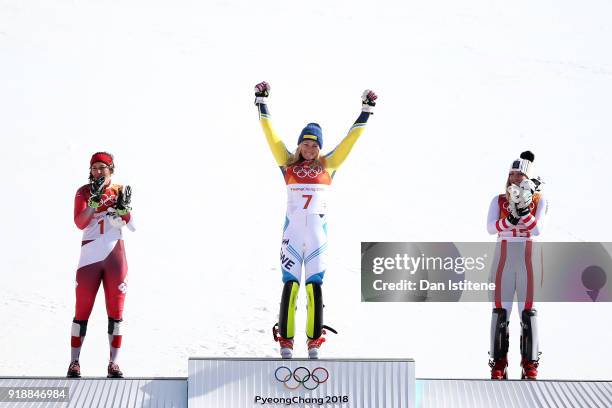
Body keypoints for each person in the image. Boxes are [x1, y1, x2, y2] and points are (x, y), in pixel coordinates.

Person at [254, 81, 377, 359]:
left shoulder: (329, 166)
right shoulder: (288, 165)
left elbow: (349, 141)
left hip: (318, 239)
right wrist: (262, 103)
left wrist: (366, 111)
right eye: (305, 143)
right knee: (290, 286)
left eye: (314, 145)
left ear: (320, 148)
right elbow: (271, 136)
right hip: (293, 237)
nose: (309, 148)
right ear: (299, 145)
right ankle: (285, 342)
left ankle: (314, 342)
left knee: (314, 288)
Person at [67, 152, 134, 378]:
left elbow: (132, 224)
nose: (97, 171)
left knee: (116, 312)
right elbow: (79, 222)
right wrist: (93, 204)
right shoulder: (83, 192)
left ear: (111, 169)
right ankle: (74, 362)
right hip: (89, 258)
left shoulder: (119, 190)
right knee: (81, 310)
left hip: (115, 256)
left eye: (102, 167)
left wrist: (124, 211)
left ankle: (113, 363)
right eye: (94, 167)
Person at [486, 151, 548, 380]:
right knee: (501, 311)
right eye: (511, 174)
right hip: (504, 254)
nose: (514, 178)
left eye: (519, 174)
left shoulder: (540, 200)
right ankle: (498, 363)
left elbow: (538, 229)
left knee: (528, 311)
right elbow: (491, 228)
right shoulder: (499, 199)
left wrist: (523, 212)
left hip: (528, 255)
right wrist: (509, 220)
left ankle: (530, 363)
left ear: (528, 177)